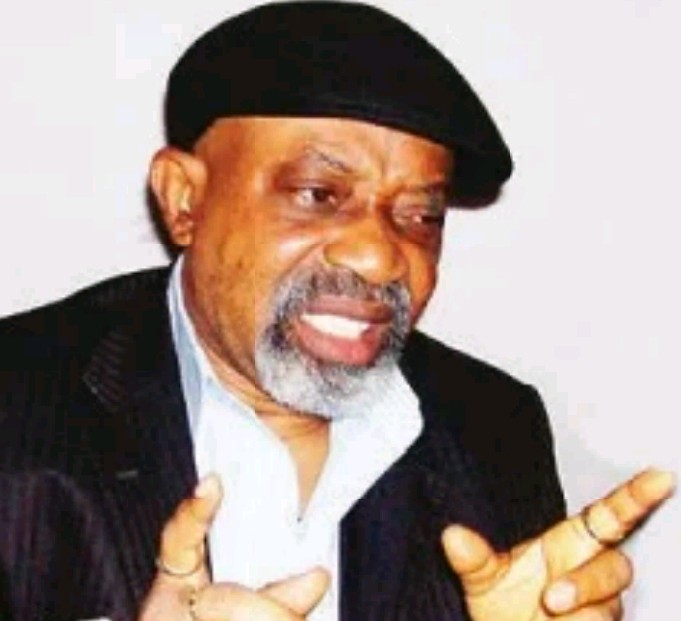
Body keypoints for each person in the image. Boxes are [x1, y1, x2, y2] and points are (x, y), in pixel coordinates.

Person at [0, 2, 674, 621]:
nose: (379, 258)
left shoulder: (495, 429)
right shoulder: (17, 405)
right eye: (318, 194)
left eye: (420, 216)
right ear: (184, 199)